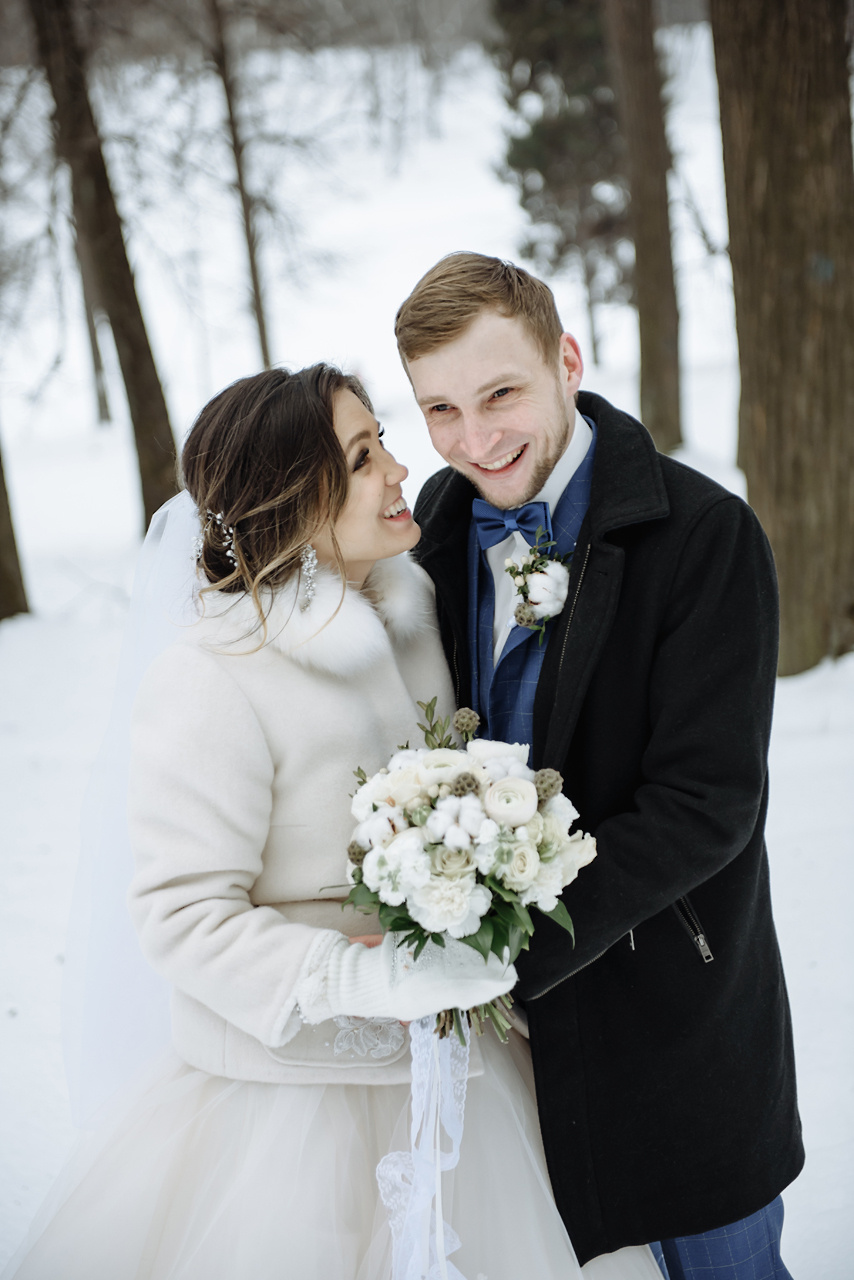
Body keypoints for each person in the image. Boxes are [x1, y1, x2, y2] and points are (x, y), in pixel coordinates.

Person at [3, 364, 661, 1280]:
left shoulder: (413, 609)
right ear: (290, 500)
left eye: (381, 437)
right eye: (361, 458)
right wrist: (364, 979)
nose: (400, 469)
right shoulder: (215, 674)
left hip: (469, 1080)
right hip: (285, 1115)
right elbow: (182, 915)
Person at [395, 252, 804, 1278]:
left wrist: (511, 946)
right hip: (503, 1051)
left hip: (672, 1009)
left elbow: (704, 804)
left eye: (499, 393)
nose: (473, 440)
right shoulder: (428, 542)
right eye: (439, 409)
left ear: (566, 359)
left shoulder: (703, 536)